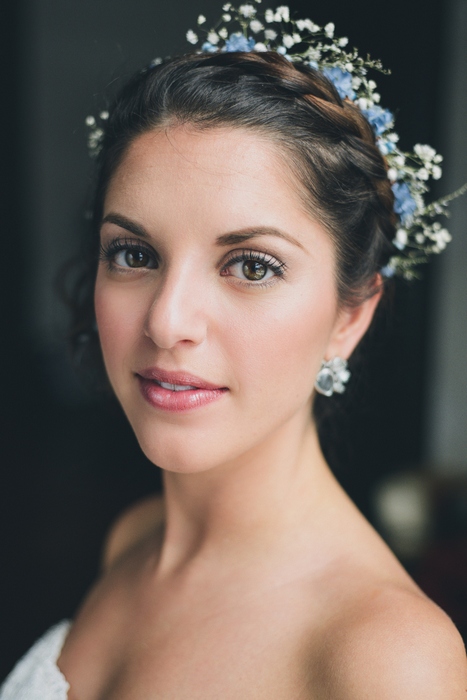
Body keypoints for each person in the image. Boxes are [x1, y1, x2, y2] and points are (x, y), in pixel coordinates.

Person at [1, 3, 466, 698]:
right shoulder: (135, 537)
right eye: (133, 253)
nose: (167, 321)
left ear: (350, 314)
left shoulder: (384, 658)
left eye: (251, 265)